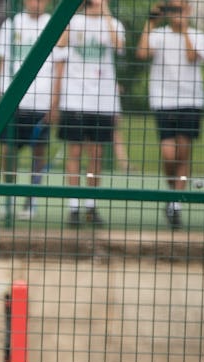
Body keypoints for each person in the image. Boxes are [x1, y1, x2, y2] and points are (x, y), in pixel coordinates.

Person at [136, 0, 204, 229]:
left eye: (180, 9)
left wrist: (184, 27)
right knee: (169, 153)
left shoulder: (196, 35)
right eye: (172, 9)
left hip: (190, 100)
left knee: (183, 152)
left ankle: (176, 204)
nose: (177, 14)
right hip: (163, 101)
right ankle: (171, 189)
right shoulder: (159, 34)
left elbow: (191, 56)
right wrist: (151, 21)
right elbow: (142, 52)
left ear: (188, 10)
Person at [55, 0, 125, 226]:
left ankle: (91, 205)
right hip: (75, 97)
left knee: (96, 154)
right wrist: (74, 10)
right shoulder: (74, 21)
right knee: (74, 151)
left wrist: (105, 13)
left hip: (103, 100)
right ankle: (73, 206)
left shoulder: (113, 23)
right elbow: (60, 44)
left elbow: (119, 46)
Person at [0, 0, 57, 220]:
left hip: (41, 102)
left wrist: (54, 103)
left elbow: (59, 65)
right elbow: (4, 63)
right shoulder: (11, 25)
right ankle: (8, 197)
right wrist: (2, 95)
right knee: (8, 152)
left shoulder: (54, 24)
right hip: (14, 102)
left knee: (38, 153)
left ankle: (31, 199)